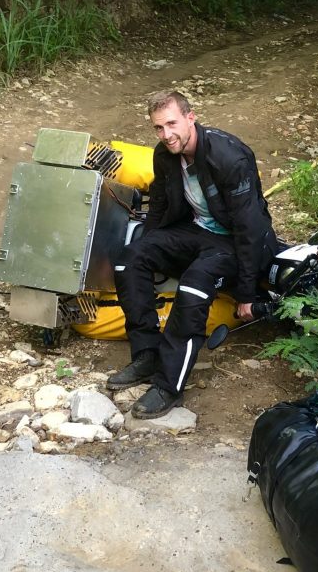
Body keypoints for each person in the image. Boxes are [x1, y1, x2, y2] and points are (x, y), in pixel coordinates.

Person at [107, 90, 278, 418]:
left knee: (195, 284)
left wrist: (246, 293)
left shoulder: (229, 158)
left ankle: (168, 387)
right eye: (158, 128)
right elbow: (158, 202)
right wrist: (153, 246)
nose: (166, 134)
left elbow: (250, 229)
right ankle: (146, 355)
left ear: (190, 117)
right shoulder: (164, 154)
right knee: (130, 258)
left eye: (172, 123)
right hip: (197, 231)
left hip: (235, 240)